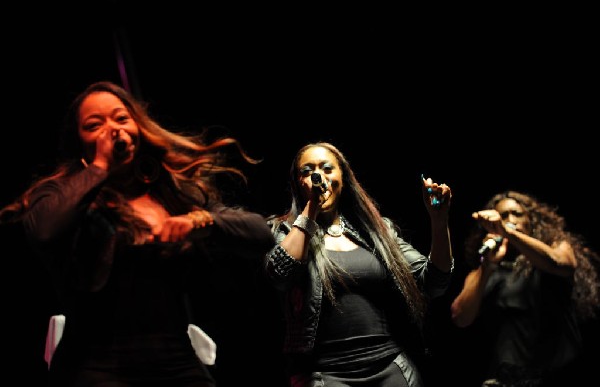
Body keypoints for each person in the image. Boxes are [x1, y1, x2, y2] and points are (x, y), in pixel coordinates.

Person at [0, 81, 275, 387]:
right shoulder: (62, 193)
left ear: (138, 128)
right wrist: (100, 166)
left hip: (176, 362)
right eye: (95, 125)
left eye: (120, 118)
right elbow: (45, 232)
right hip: (96, 367)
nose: (112, 130)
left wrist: (199, 221)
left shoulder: (170, 192)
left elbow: (262, 234)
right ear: (78, 142)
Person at [264, 142, 454, 387]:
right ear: (298, 182)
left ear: (343, 177)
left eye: (327, 168)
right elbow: (279, 274)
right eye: (307, 170)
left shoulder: (376, 231)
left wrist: (439, 222)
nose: (318, 175)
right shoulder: (286, 231)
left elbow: (434, 283)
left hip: (388, 367)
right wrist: (311, 208)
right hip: (325, 375)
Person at [450, 190, 600, 386]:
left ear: (531, 219)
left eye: (516, 213)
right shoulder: (484, 270)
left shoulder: (554, 246)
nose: (510, 219)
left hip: (556, 376)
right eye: (502, 216)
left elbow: (561, 263)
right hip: (503, 380)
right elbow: (460, 317)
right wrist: (487, 266)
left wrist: (507, 231)